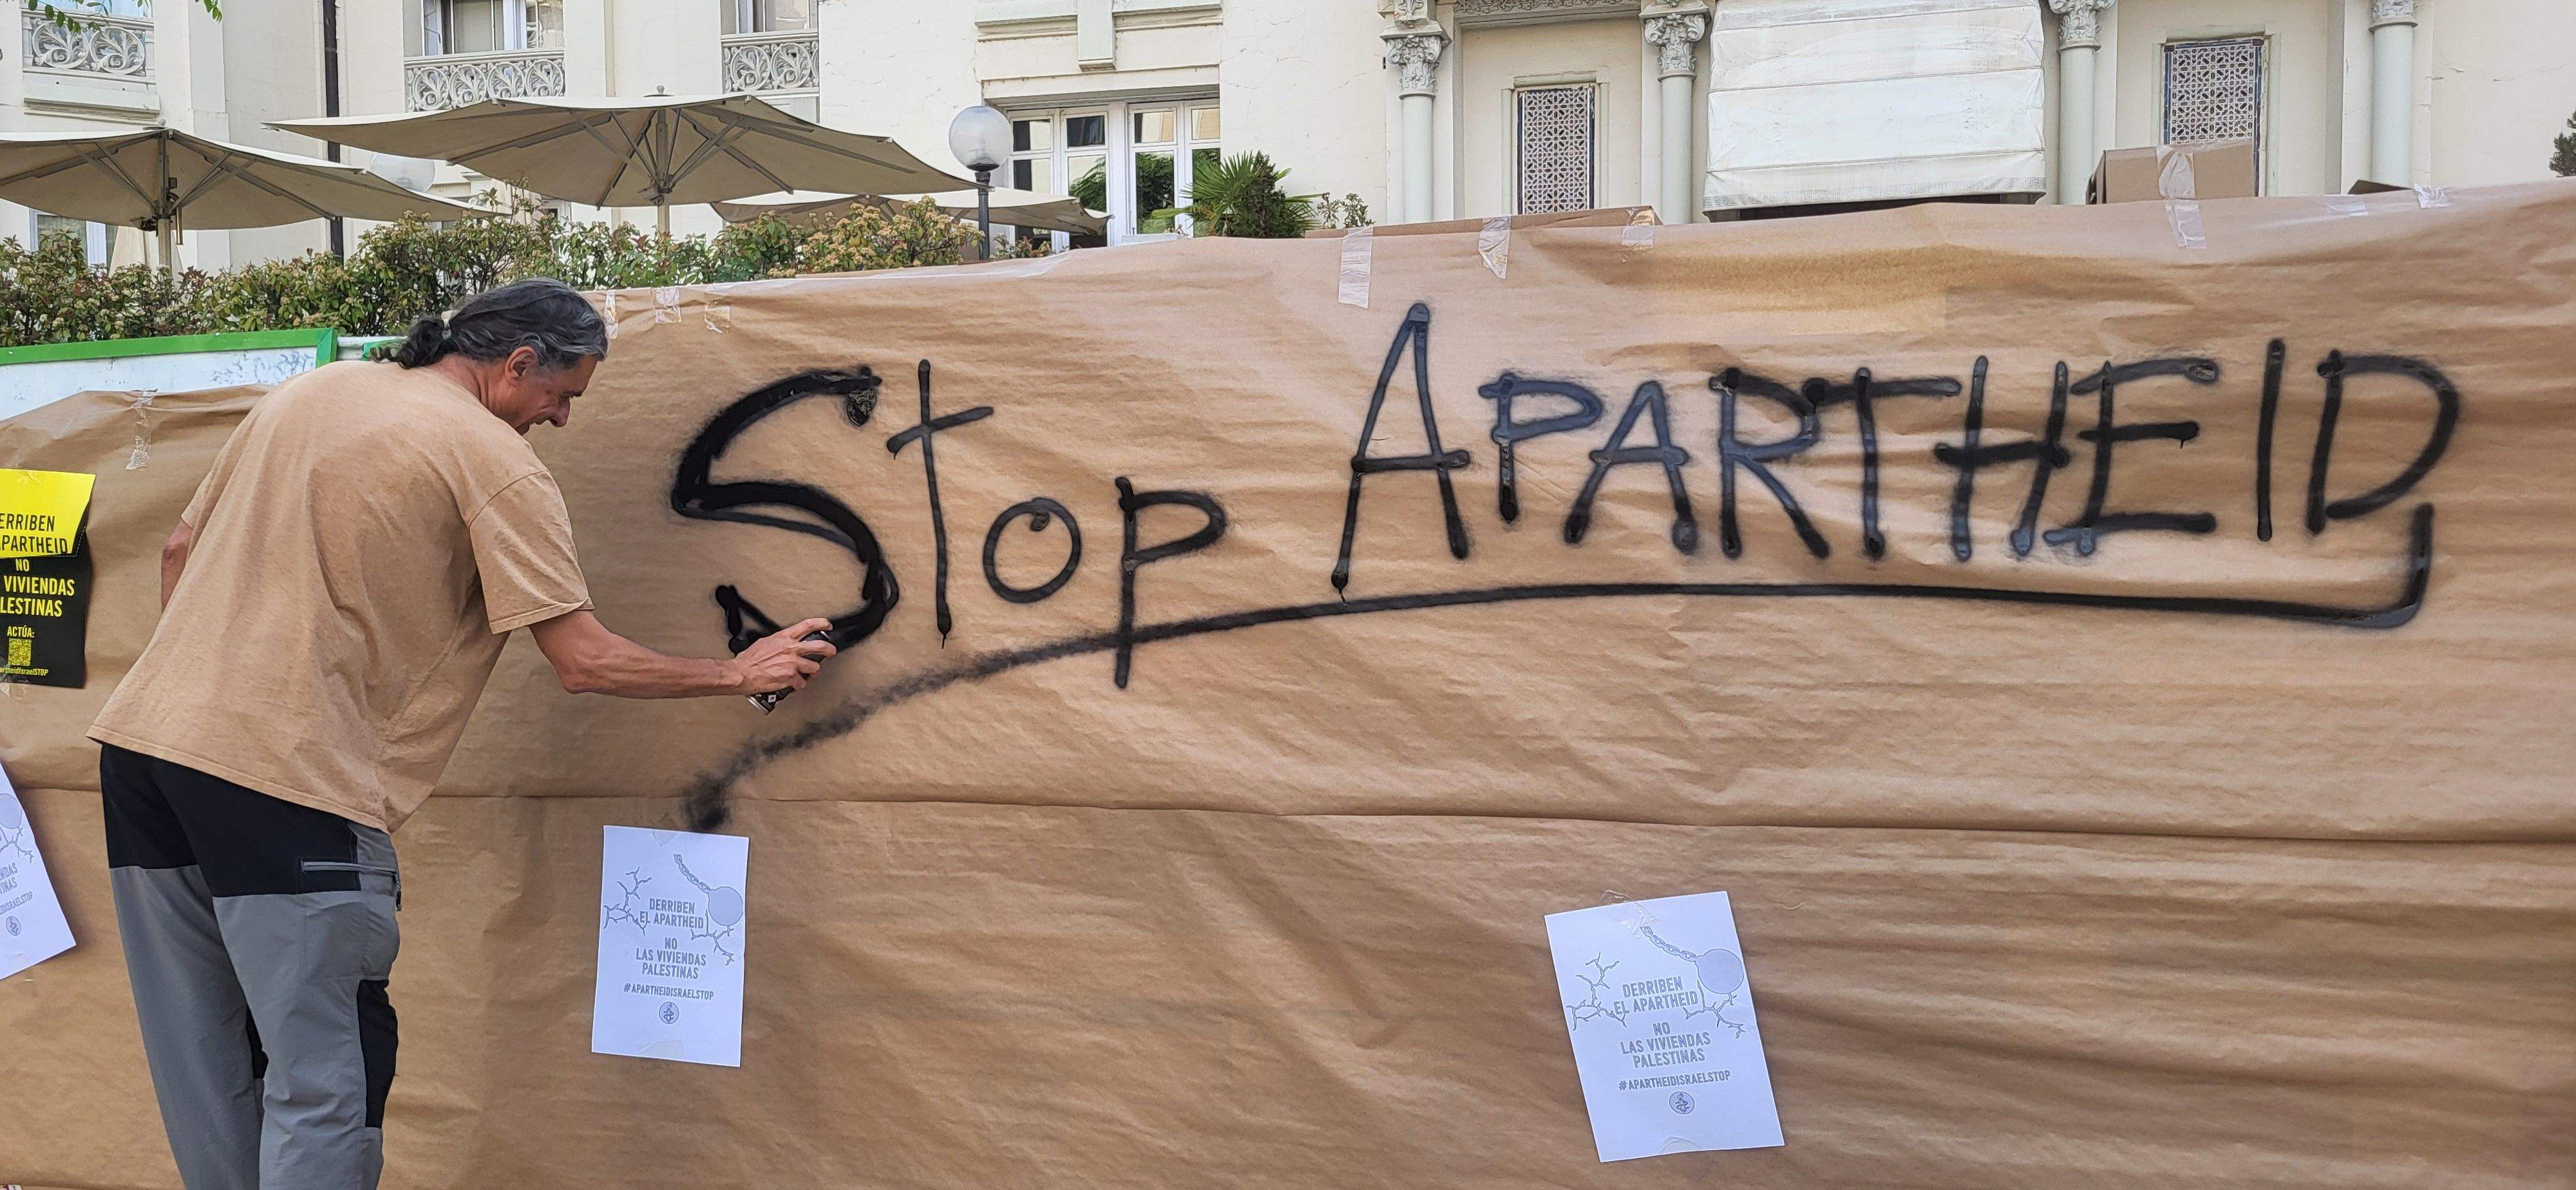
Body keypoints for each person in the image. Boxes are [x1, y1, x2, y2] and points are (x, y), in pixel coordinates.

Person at [85, 278, 835, 1190]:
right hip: (288, 782)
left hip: (146, 755)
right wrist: (736, 672)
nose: (561, 420)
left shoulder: (315, 394)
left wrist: (211, 686)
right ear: (517, 364)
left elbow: (179, 551)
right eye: (563, 396)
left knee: (207, 1060)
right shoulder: (492, 461)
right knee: (328, 1078)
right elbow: (583, 661)